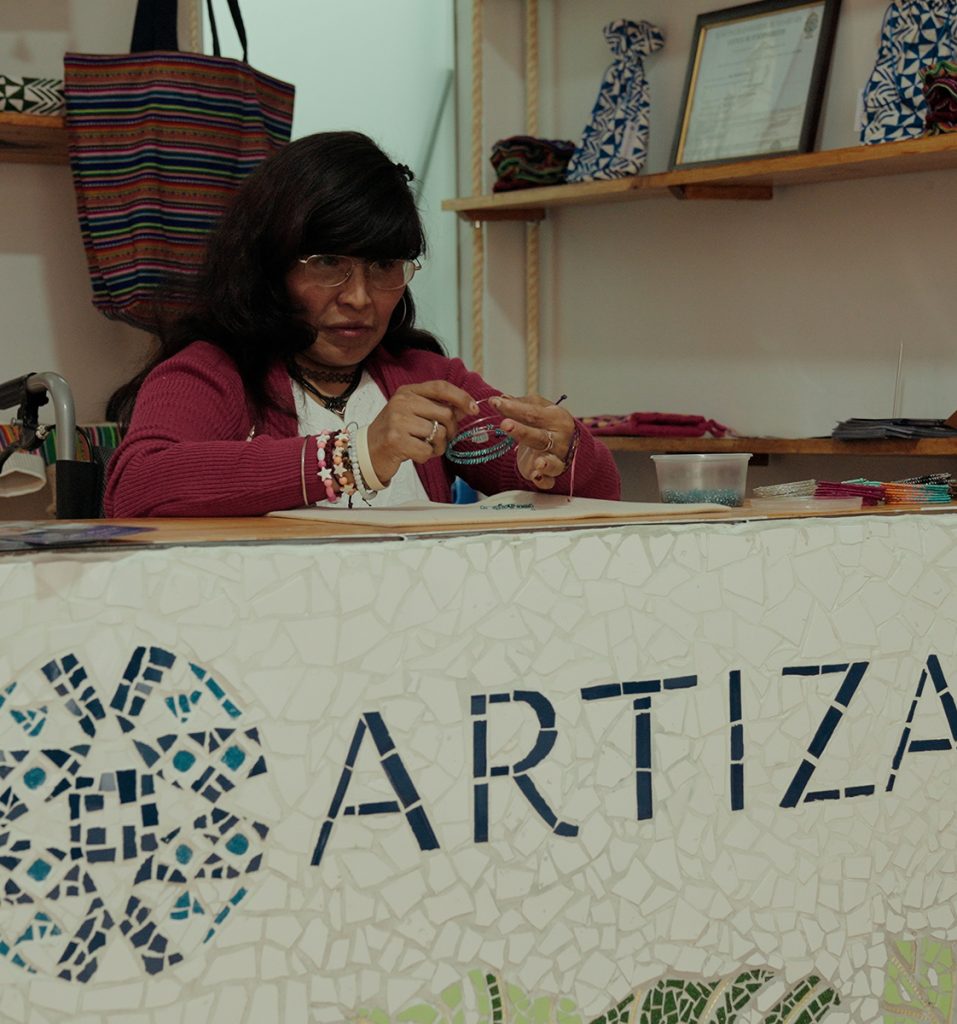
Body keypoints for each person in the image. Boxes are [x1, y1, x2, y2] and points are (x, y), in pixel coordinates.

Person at [103, 131, 621, 517]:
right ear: (270, 267)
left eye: (383, 266)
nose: (359, 298)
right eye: (328, 263)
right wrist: (354, 456)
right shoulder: (212, 372)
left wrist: (559, 452)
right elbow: (135, 488)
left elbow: (597, 496)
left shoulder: (425, 377)